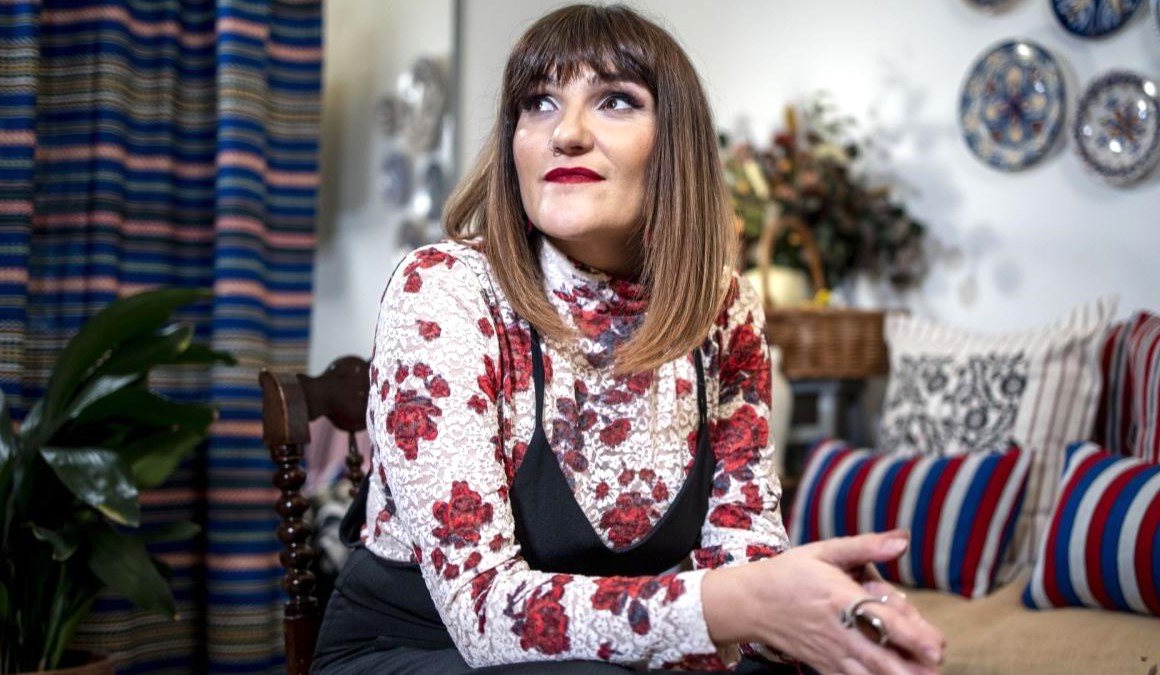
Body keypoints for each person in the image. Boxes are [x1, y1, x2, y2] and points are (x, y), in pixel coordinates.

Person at [312, 4, 946, 674]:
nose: (566, 133)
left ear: (676, 144)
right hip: (414, 647)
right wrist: (737, 605)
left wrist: (828, 616)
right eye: (538, 103)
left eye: (615, 100)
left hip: (598, 658)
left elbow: (744, 552)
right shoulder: (443, 287)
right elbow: (483, 614)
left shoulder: (725, 309)